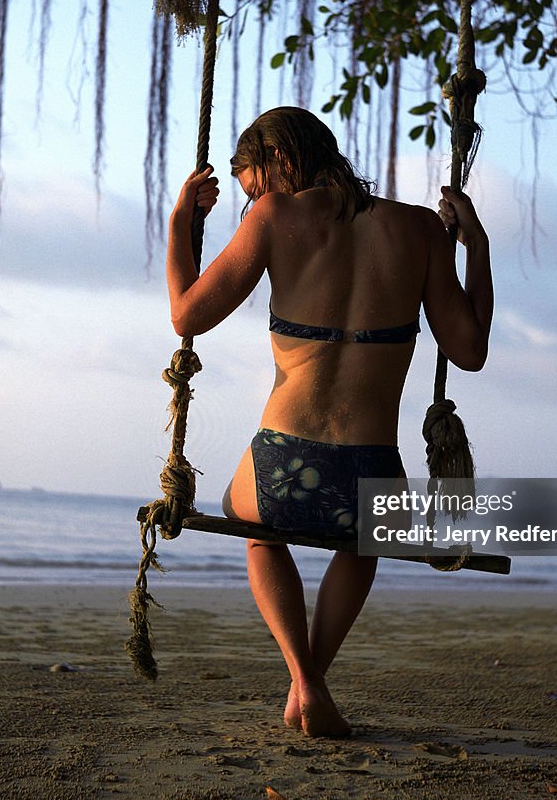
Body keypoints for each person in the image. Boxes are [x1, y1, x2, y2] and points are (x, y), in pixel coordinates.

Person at [167, 106, 492, 737]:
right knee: (363, 543)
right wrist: (475, 245)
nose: (254, 202)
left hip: (285, 463)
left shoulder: (274, 219)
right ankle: (311, 683)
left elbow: (186, 316)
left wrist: (182, 224)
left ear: (284, 162)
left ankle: (305, 681)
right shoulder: (422, 229)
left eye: (254, 187)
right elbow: (470, 351)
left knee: (251, 521)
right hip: (375, 471)